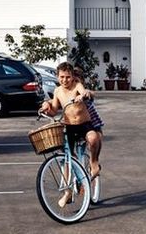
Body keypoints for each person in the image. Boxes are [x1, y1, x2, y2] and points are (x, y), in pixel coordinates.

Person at [39, 62, 102, 206]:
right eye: (62, 77)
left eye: (68, 77)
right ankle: (67, 192)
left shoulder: (77, 86)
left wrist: (84, 95)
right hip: (69, 126)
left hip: (84, 124)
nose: (65, 80)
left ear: (73, 77)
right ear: (57, 76)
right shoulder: (57, 91)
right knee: (67, 158)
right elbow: (54, 110)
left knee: (93, 138)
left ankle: (93, 163)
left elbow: (85, 91)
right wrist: (46, 107)